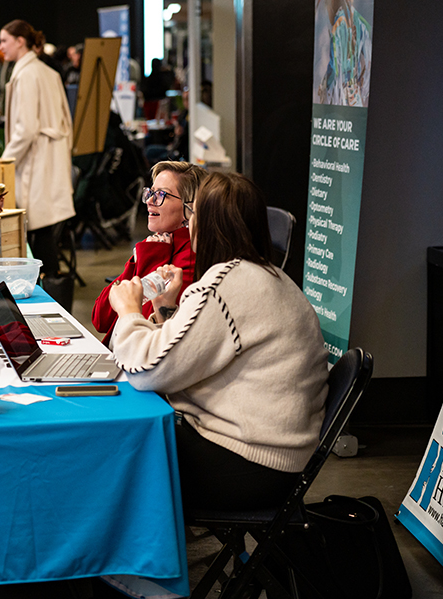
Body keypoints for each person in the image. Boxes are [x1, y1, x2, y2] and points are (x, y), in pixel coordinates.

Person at [108, 172, 329, 513]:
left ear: (207, 223)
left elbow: (148, 371)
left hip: (247, 466)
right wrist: (166, 308)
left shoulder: (225, 285)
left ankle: (113, 561)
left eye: (192, 213)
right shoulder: (268, 276)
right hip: (276, 462)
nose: (188, 221)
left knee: (116, 450)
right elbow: (187, 353)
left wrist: (128, 312)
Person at [92, 161, 206, 346]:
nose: (150, 201)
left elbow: (144, 333)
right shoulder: (155, 245)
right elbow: (100, 319)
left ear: (189, 208)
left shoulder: (190, 258)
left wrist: (150, 259)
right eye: (151, 192)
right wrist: (137, 262)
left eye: (161, 194)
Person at [0, 19, 75, 279]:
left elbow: (26, 128)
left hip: (36, 160)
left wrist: (4, 162)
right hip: (47, 157)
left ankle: (47, 290)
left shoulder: (28, 73)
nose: (1, 47)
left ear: (21, 41)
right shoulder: (45, 71)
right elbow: (66, 120)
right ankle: (50, 285)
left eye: (5, 40)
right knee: (41, 228)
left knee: (36, 228)